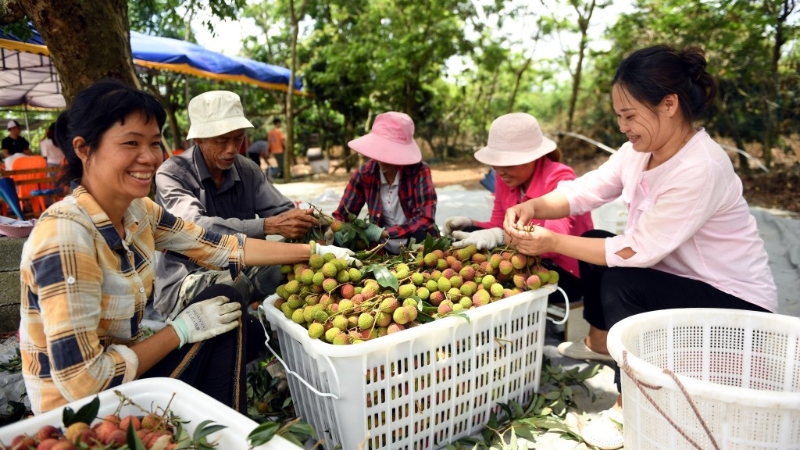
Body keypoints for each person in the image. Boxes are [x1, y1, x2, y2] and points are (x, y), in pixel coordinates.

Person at [18, 80, 355, 416]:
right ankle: (218, 422)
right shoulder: (65, 236)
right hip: (83, 413)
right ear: (84, 149)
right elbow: (83, 383)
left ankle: (222, 425)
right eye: (131, 143)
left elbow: (221, 247)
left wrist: (317, 254)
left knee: (235, 316)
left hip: (130, 377)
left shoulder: (139, 213)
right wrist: (179, 330)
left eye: (153, 143)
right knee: (224, 300)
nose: (149, 157)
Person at [504, 45, 777, 449]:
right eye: (619, 116)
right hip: (678, 283)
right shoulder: (638, 153)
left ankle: (627, 407)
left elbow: (639, 252)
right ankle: (601, 340)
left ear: (669, 105)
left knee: (621, 280)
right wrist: (536, 205)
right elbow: (585, 190)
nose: (623, 127)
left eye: (630, 115)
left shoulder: (700, 166)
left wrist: (552, 240)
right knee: (595, 243)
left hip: (737, 308)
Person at [154, 91, 319, 327]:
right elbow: (196, 229)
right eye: (222, 140)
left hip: (240, 268)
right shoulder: (172, 174)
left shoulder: (247, 169)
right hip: (187, 280)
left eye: (238, 139)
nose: (232, 148)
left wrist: (310, 222)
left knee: (307, 253)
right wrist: (268, 225)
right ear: (198, 139)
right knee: (232, 284)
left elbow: (282, 211)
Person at [442, 113, 593, 304]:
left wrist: (499, 236)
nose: (500, 170)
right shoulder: (504, 177)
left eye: (508, 163)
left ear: (534, 157)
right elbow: (498, 224)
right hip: (523, 256)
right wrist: (470, 223)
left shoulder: (560, 177)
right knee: (470, 235)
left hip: (563, 269)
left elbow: (550, 240)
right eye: (496, 163)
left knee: (499, 278)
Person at [333, 112, 438, 253]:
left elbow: (425, 219)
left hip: (417, 245)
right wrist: (339, 229)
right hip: (380, 249)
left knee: (421, 234)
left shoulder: (419, 171)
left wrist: (383, 233)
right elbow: (342, 214)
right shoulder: (365, 173)